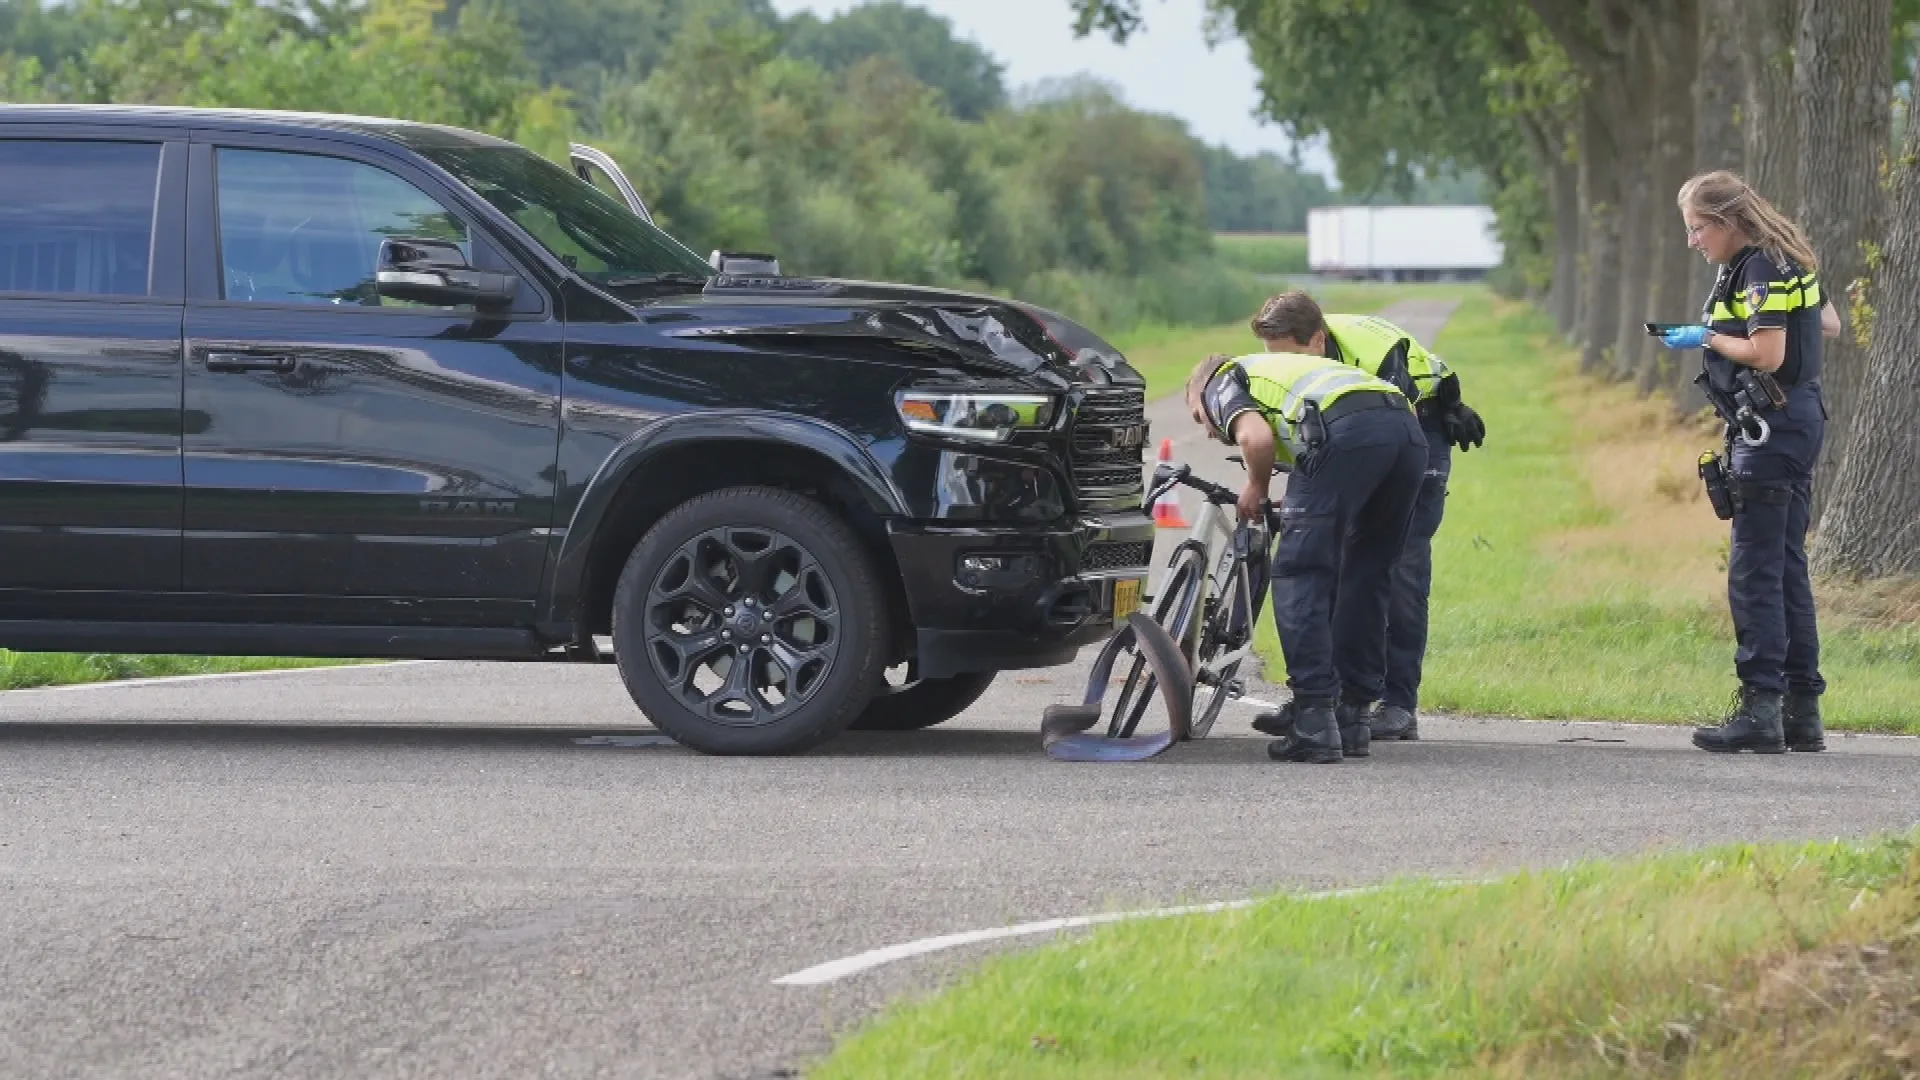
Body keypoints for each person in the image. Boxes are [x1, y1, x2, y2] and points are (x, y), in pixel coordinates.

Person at [1243, 293, 1486, 742]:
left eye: (1292, 358)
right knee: (1320, 552)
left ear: (1317, 340)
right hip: (1345, 423)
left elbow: (1400, 422)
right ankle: (1321, 699)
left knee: (1395, 562)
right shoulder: (1301, 351)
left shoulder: (1370, 353)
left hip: (1417, 423)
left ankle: (1398, 704)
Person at [1659, 170, 1842, 754]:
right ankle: (1801, 712)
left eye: (1696, 228)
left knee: (1754, 571)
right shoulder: (1785, 258)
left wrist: (1707, 337)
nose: (1692, 240)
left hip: (1770, 428)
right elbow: (1829, 322)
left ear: (1727, 221)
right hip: (1796, 421)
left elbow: (1768, 352)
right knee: (1787, 566)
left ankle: (1761, 711)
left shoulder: (1758, 267)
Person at [1184, 344, 1425, 764]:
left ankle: (1314, 719)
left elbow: (1255, 437)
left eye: (1198, 416)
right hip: (1406, 434)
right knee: (1365, 575)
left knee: (1299, 572)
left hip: (1347, 431)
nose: (1207, 429)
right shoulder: (1290, 371)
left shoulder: (1223, 379)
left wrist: (1256, 487)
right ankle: (1352, 717)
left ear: (1200, 390)